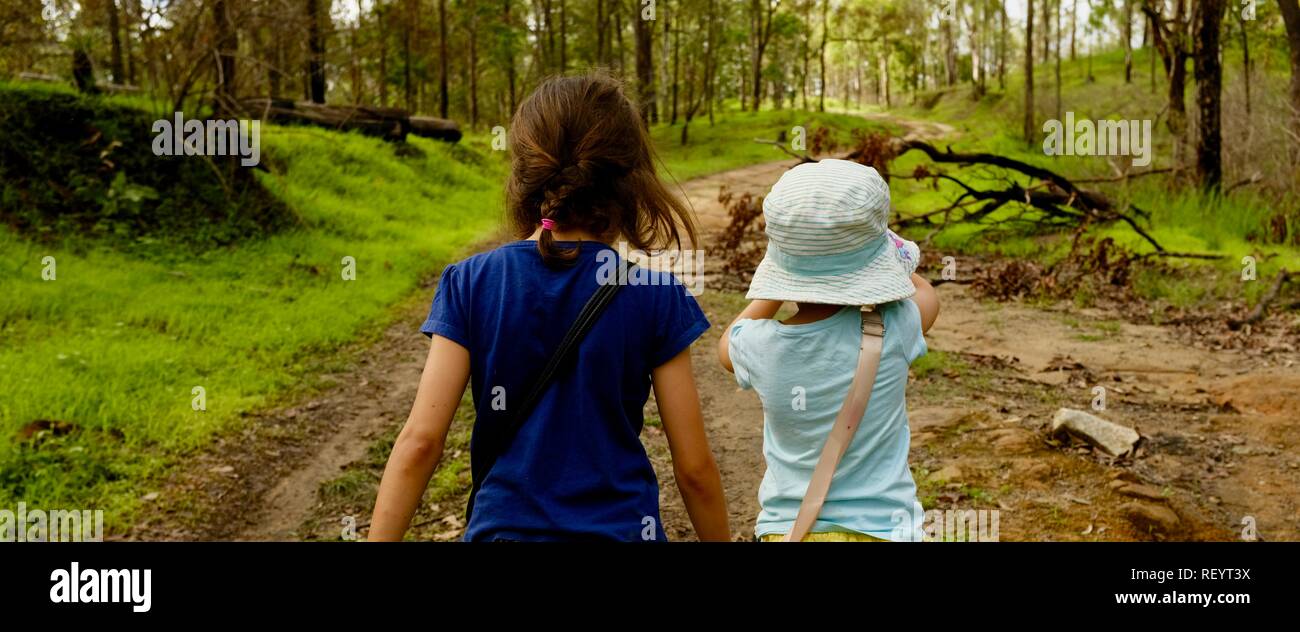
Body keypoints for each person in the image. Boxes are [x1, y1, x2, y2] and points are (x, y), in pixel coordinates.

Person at [368, 74, 729, 542]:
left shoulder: (472, 283)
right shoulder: (654, 294)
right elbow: (695, 469)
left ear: (525, 173)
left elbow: (420, 443)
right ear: (630, 179)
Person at [718, 159, 939, 542]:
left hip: (789, 531)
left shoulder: (758, 345)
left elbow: (728, 341)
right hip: (885, 531)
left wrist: (778, 282)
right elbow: (926, 295)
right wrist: (885, 245)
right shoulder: (897, 326)